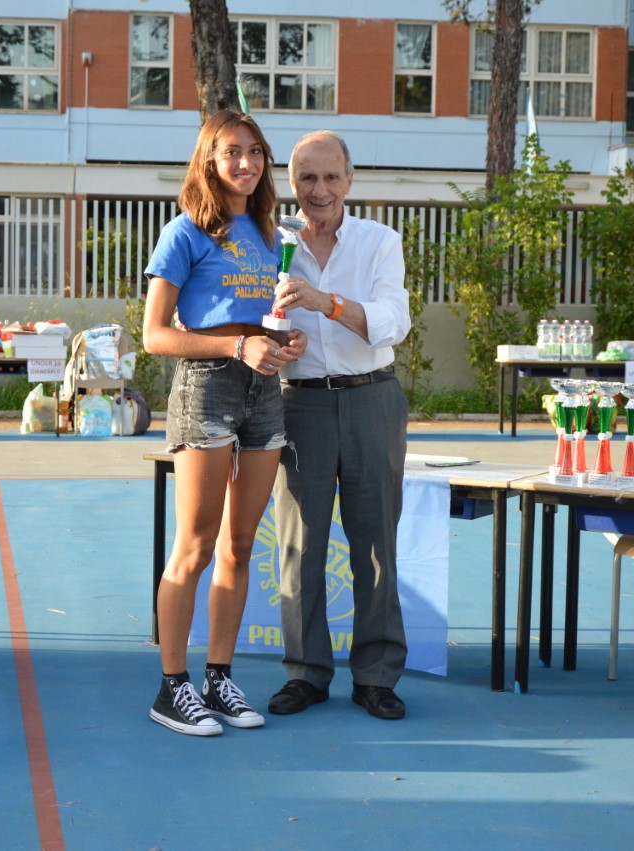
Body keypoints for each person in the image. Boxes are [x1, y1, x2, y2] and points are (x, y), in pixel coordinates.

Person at [142, 109, 308, 736]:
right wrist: (236, 346)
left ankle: (218, 677)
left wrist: (283, 342)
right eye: (232, 151)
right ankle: (172, 687)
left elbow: (262, 319)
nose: (246, 162)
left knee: (239, 547)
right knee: (195, 547)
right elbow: (155, 335)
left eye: (256, 151)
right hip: (207, 386)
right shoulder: (185, 230)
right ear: (209, 160)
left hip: (264, 391)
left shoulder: (269, 233)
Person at [267, 131, 412, 720]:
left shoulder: (380, 241)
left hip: (371, 398)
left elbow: (392, 322)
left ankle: (376, 676)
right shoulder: (269, 244)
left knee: (375, 545)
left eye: (331, 177)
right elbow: (250, 321)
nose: (319, 190)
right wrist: (275, 345)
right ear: (291, 182)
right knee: (299, 545)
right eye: (307, 177)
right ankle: (305, 672)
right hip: (298, 404)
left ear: (350, 181)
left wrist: (325, 302)